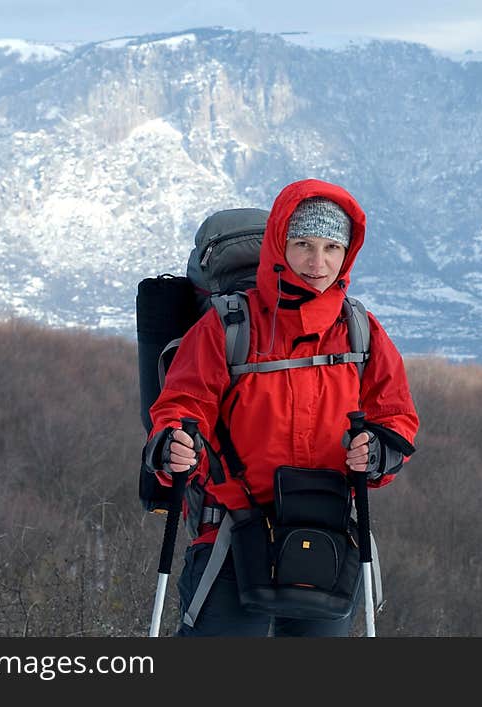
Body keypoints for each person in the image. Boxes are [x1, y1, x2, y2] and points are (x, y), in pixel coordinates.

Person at [143, 178, 420, 636]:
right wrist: (175, 442)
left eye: (333, 247)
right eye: (303, 244)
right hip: (233, 532)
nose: (318, 262)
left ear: (348, 252)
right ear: (278, 244)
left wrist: (376, 453)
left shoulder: (359, 330)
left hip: (325, 535)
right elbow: (182, 402)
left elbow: (396, 417)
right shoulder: (230, 324)